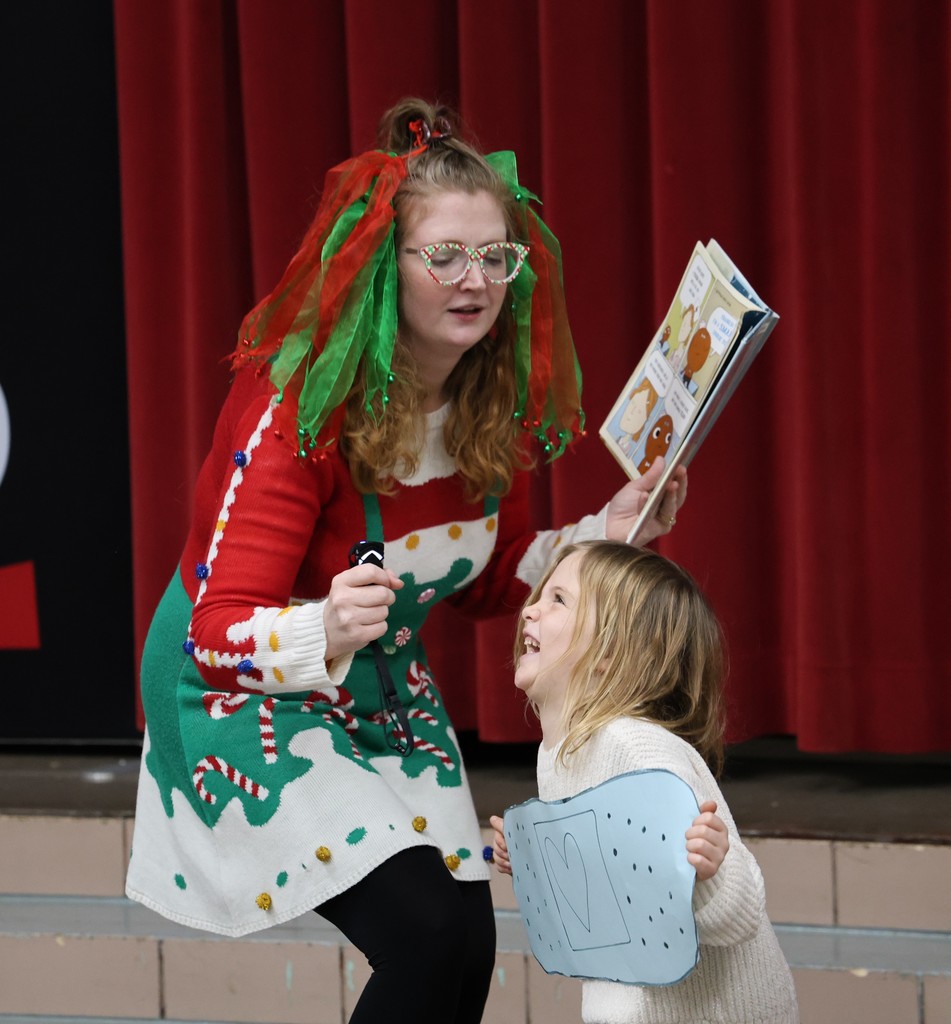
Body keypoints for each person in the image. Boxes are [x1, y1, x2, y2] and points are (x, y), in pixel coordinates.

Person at [125, 98, 687, 1024]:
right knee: (425, 937)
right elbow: (212, 632)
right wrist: (323, 625)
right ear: (386, 268)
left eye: (494, 257)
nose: (475, 280)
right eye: (445, 256)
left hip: (377, 690)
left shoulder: (478, 401)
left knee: (466, 946)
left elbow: (491, 577)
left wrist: (611, 526)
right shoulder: (296, 408)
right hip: (239, 692)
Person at [490, 540, 799, 1023]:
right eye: (541, 595)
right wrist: (533, 861)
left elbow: (739, 916)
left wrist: (711, 870)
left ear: (608, 654)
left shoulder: (637, 749)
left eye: (558, 600)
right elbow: (609, 888)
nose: (529, 609)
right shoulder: (556, 754)